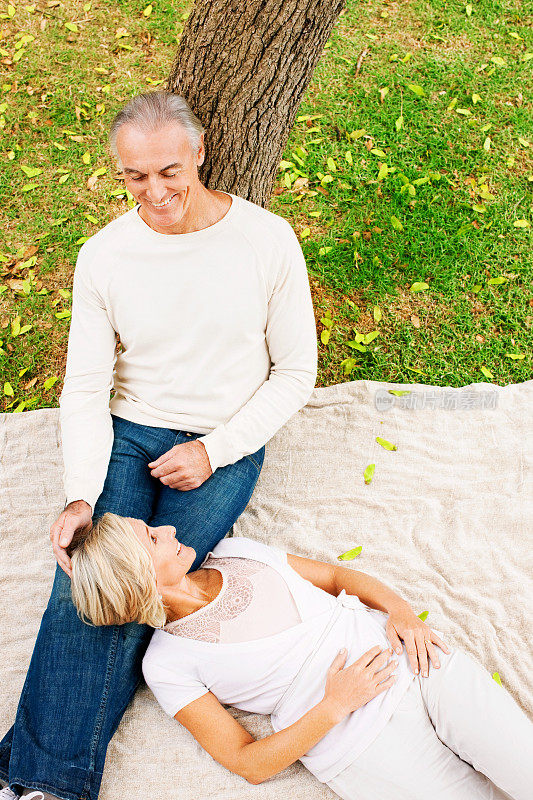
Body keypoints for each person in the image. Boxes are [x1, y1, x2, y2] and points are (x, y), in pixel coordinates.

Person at [0, 90, 317, 800]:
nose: (155, 192)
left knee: (148, 589)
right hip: (128, 432)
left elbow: (296, 372)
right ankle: (49, 783)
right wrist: (82, 492)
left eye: (169, 170)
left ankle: (31, 778)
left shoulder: (266, 240)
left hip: (218, 443)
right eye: (134, 177)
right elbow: (84, 387)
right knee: (86, 584)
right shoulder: (105, 255)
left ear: (199, 153)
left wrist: (216, 448)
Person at [60, 512, 533, 800]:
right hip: (362, 746)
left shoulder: (233, 551)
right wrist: (335, 705)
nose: (169, 528)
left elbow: (333, 578)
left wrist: (401, 611)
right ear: (139, 576)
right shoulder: (166, 666)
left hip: (414, 662)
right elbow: (248, 762)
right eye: (152, 538)